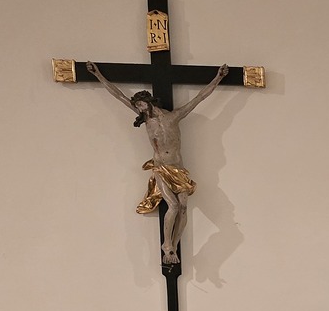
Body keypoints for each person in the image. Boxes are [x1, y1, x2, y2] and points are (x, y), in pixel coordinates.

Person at [86, 61, 229, 270]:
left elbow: (200, 98)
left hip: (179, 169)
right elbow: (118, 96)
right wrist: (98, 75)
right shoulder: (147, 121)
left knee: (183, 207)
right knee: (173, 206)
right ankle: (166, 244)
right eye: (137, 107)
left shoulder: (174, 116)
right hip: (161, 168)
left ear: (148, 102)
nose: (139, 109)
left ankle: (174, 246)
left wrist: (218, 77)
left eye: (141, 105)